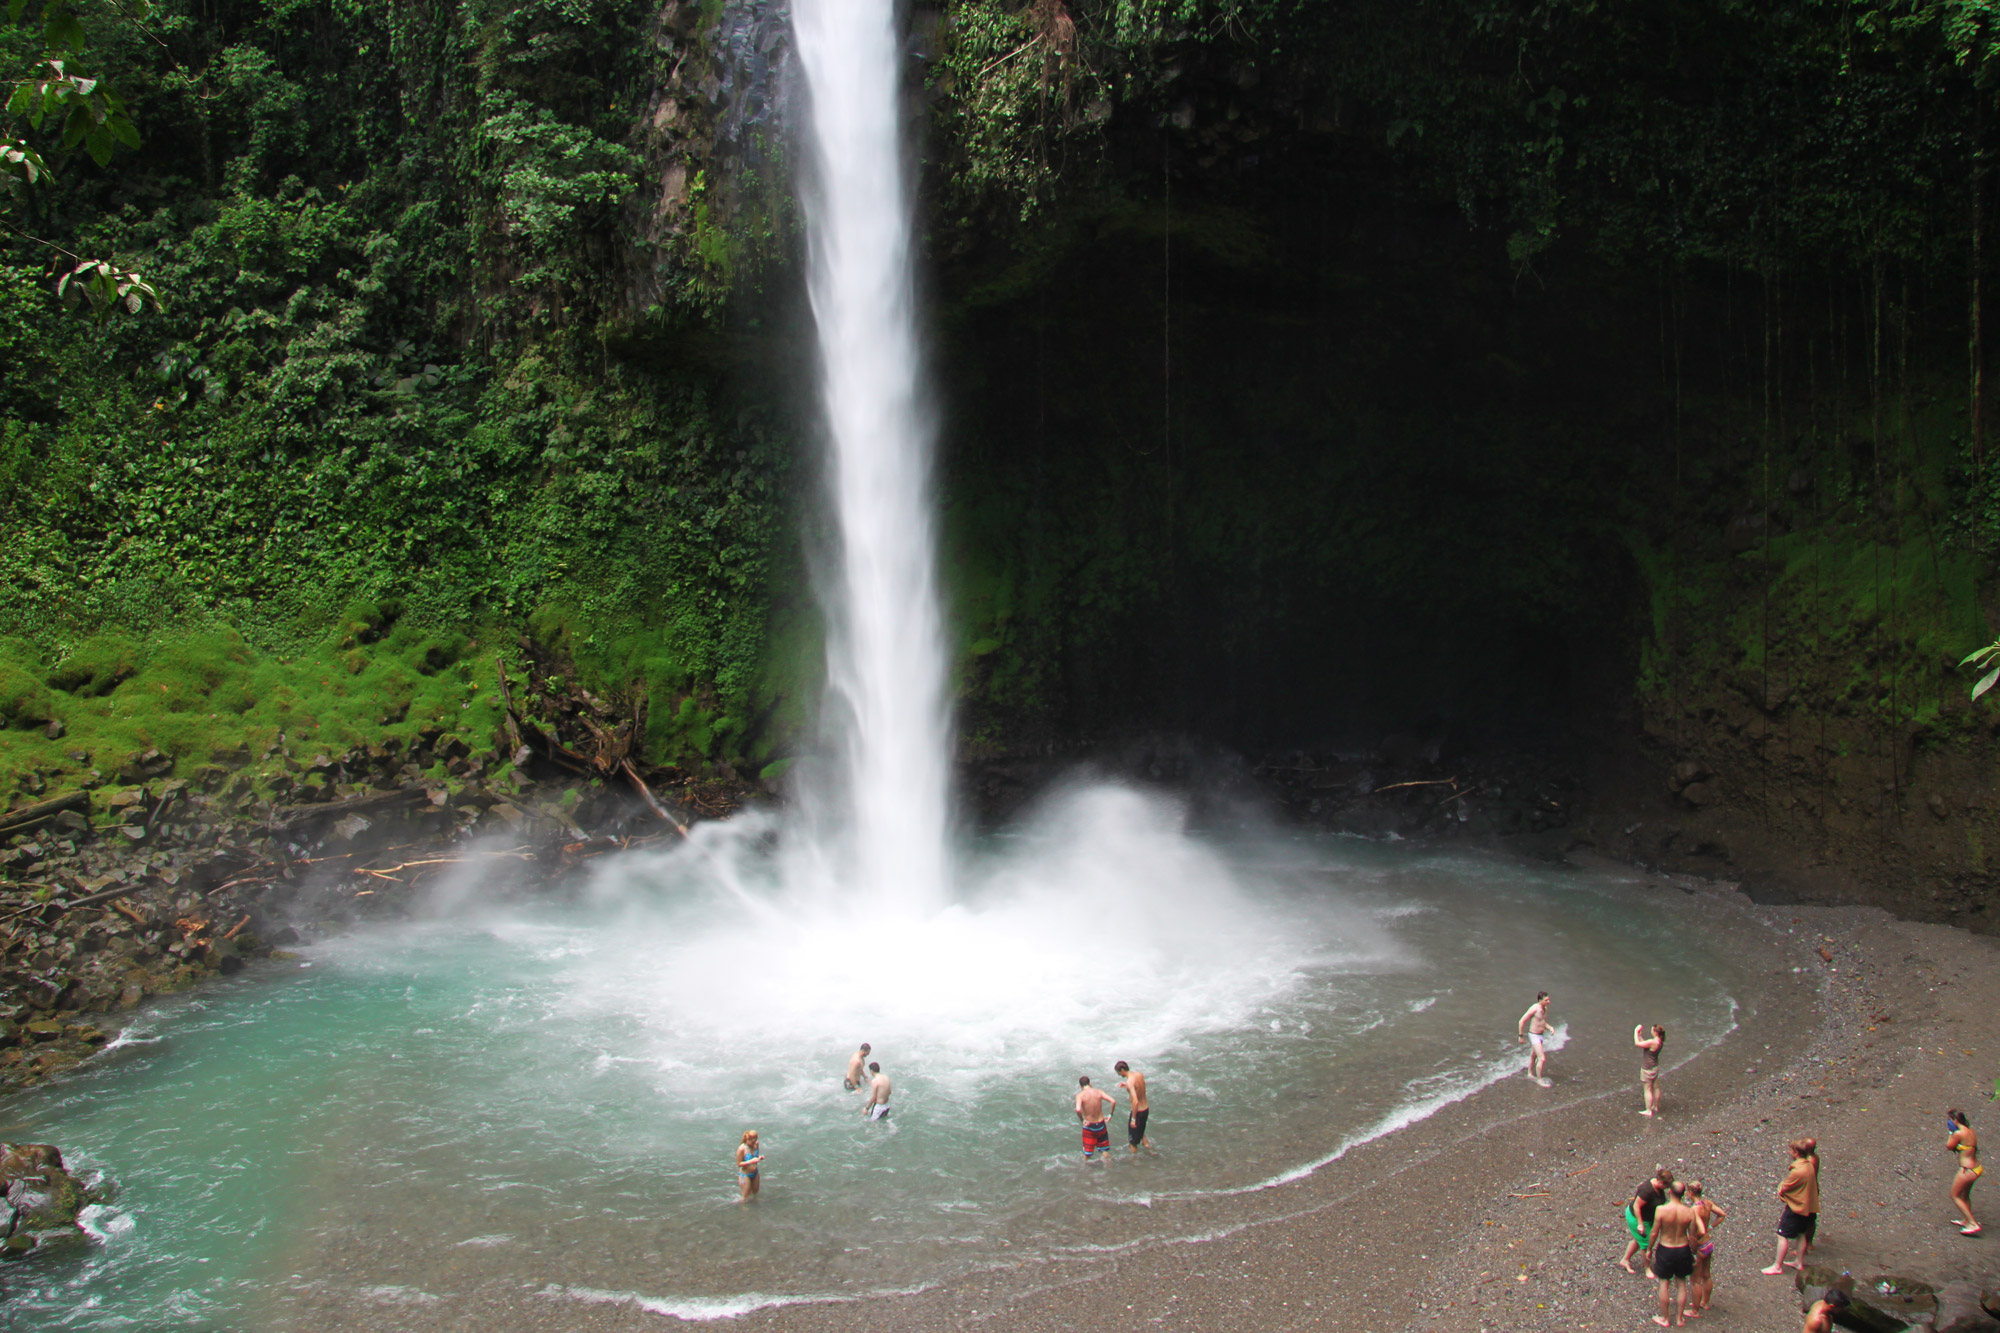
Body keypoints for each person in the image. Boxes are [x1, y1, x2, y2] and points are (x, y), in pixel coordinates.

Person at [1646, 1180, 1707, 1327]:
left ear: (1670, 1192)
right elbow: (1692, 1235)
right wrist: (1693, 1252)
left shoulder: (1661, 1210)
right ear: (1683, 1194)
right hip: (1682, 1248)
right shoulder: (1689, 1211)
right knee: (1681, 1284)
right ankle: (1679, 1318)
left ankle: (1665, 1318)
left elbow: (1654, 1232)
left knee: (1664, 1283)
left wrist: (1649, 1248)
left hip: (1666, 1249)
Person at [1761, 1138, 1820, 1274]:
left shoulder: (1798, 1170)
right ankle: (1799, 1262)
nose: (1789, 1152)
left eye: (1791, 1150)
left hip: (1797, 1208)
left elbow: (1785, 1187)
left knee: (1782, 1235)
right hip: (1808, 1206)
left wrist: (1781, 1189)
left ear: (1797, 1153)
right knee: (1801, 1234)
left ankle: (1777, 1266)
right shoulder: (1810, 1164)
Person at [1620, 1167, 1674, 1275]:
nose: (1666, 1189)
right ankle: (1647, 1268)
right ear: (1660, 1182)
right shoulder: (1647, 1190)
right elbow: (1636, 1206)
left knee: (1638, 1241)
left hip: (1648, 1217)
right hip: (1636, 1217)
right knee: (1646, 1243)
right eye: (1665, 1186)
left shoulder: (1658, 1187)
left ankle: (1625, 1260)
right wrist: (1640, 1224)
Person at [1687, 1179, 1727, 1315]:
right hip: (1708, 1243)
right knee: (1707, 1275)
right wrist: (1711, 1226)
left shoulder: (1694, 1209)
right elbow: (1722, 1214)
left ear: (1691, 1193)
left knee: (1695, 1280)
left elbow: (1697, 1231)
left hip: (1699, 1245)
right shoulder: (1708, 1203)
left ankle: (1695, 1310)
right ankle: (1705, 1302)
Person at [1948, 1108, 1982, 1236]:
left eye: (1950, 1120)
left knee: (1954, 1195)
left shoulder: (1958, 1133)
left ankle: (1972, 1223)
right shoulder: (1970, 1130)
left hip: (1967, 1170)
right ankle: (1966, 1219)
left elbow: (1949, 1146)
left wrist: (1951, 1132)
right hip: (1976, 1168)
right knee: (1965, 1196)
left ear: (1955, 1120)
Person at [1075, 1075, 1117, 1162]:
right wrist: (1110, 1115)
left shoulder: (1080, 1095)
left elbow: (1078, 1109)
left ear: (1080, 1086)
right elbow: (1113, 1101)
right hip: (1101, 1124)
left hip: (1090, 1126)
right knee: (1104, 1150)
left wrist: (1082, 1120)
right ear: (1090, 1083)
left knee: (1087, 1153)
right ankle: (1109, 1169)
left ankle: (1086, 1172)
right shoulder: (1099, 1092)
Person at [1517, 991, 1554, 1086]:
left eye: (1549, 999)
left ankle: (1529, 1073)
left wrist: (1550, 1028)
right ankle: (1539, 1079)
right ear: (1540, 1000)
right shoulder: (1534, 1008)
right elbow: (1521, 1021)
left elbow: (1542, 1022)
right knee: (1542, 1058)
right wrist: (1521, 1036)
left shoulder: (1545, 1008)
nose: (1549, 1001)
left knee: (1534, 1055)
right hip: (1534, 1035)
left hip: (1541, 1035)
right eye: (1546, 1000)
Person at [1115, 1060, 1150, 1153]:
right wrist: (1127, 1086)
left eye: (1119, 1072)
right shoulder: (1139, 1075)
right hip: (1146, 1109)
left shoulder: (1130, 1081)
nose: (1119, 1075)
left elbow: (1135, 1102)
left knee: (1132, 1142)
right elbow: (1139, 1087)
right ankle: (1150, 1151)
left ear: (1122, 1070)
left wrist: (1133, 1119)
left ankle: (1135, 1161)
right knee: (1141, 1132)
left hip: (1138, 1112)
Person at [1634, 1023, 1667, 1116]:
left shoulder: (1653, 1042)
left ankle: (1648, 1110)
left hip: (1647, 1068)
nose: (1651, 1031)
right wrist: (1640, 1036)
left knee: (1647, 1089)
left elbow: (1637, 1044)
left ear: (1655, 1032)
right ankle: (1655, 1106)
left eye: (1652, 1030)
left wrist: (1635, 1032)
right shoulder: (1659, 1041)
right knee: (1655, 1087)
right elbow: (1646, 1044)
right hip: (1655, 1067)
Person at [734, 1129, 763, 1203]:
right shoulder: (741, 1148)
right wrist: (750, 1161)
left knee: (755, 1193)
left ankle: (755, 1208)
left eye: (755, 1140)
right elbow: (738, 1163)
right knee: (745, 1197)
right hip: (745, 1174)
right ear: (747, 1139)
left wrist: (759, 1157)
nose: (754, 1143)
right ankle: (744, 1211)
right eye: (752, 1142)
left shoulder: (756, 1144)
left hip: (755, 1172)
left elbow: (756, 1156)